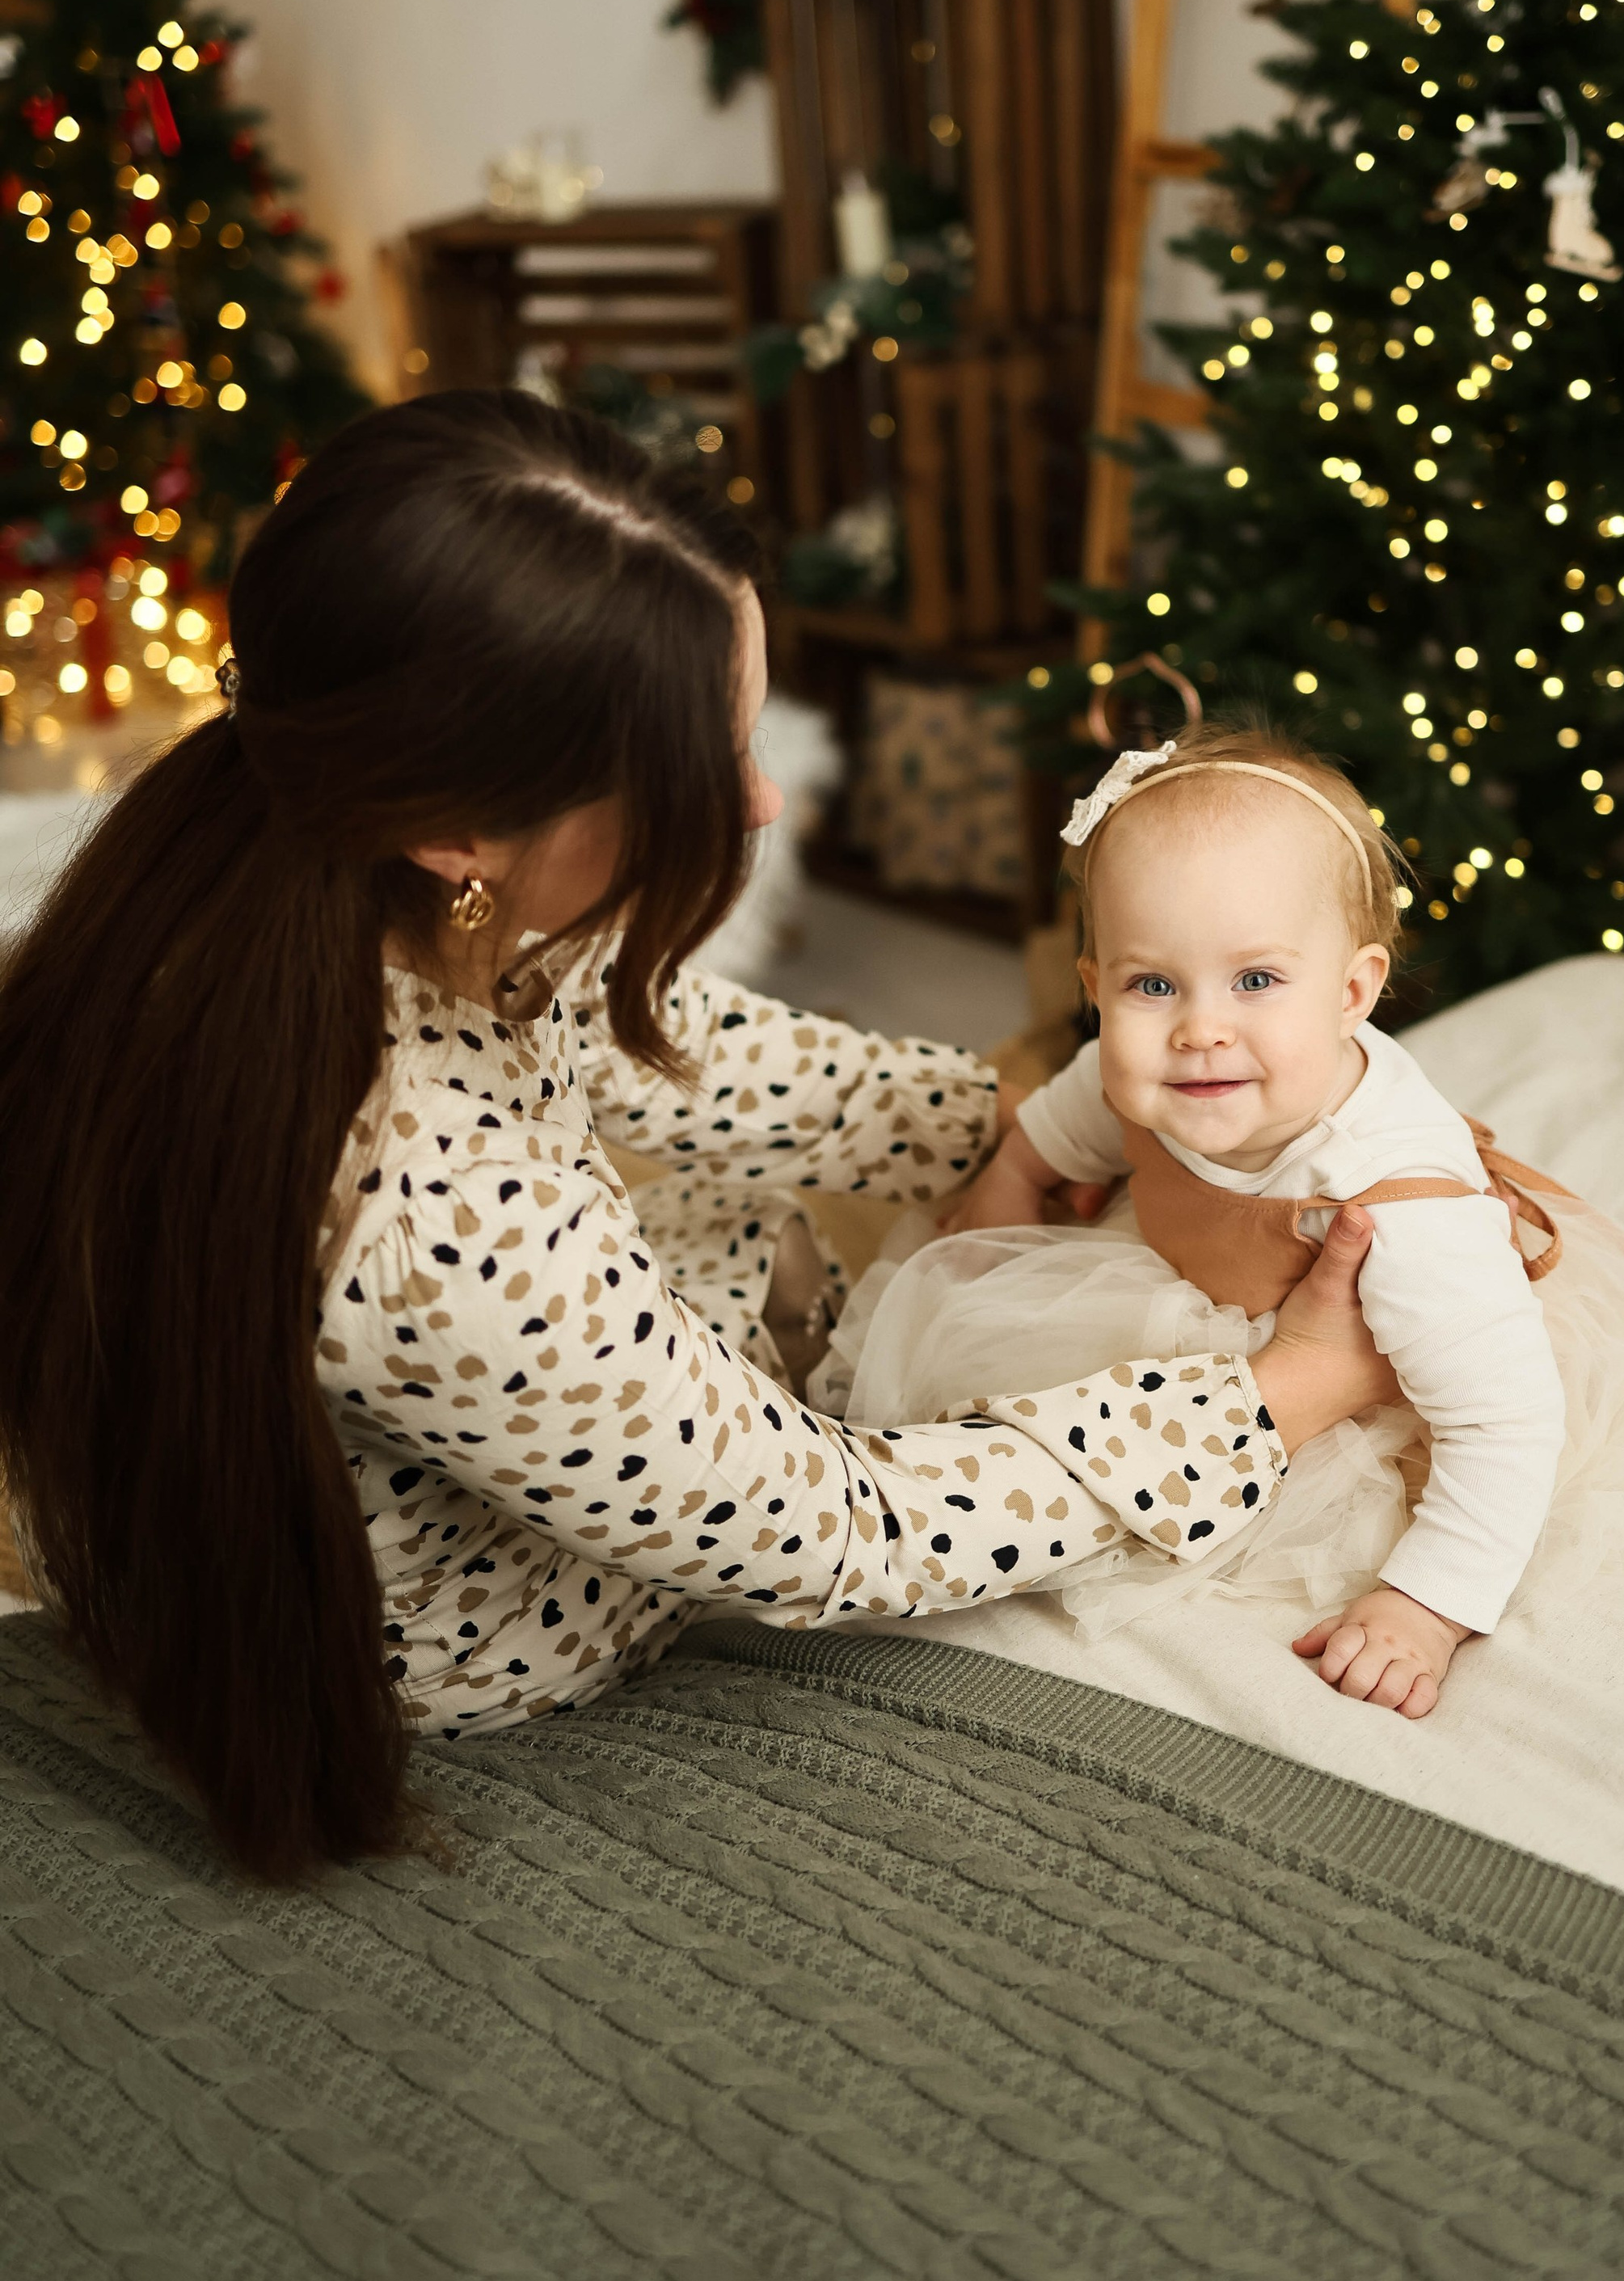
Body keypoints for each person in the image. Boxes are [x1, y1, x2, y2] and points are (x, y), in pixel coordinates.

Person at [0, 396, 1394, 1884]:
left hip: (473, 1416)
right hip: (498, 1632)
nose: (762, 798)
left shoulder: (330, 868)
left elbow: (685, 1047)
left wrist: (1064, 1112)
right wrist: (1278, 1396)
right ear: (460, 831)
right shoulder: (433, 1229)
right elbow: (846, 1530)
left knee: (839, 1237)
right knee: (979, 1373)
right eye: (704, 764)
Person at [833, 727, 1624, 1718]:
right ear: (1095, 988)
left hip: (1363, 1383)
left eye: (1255, 980)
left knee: (1303, 1483)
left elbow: (1504, 1420)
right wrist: (1016, 1177)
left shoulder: (1401, 1203)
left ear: (1353, 992)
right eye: (1151, 984)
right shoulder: (1156, 1070)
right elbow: (1084, 1101)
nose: (1200, 1029)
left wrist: (1430, 1604)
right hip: (1196, 1296)